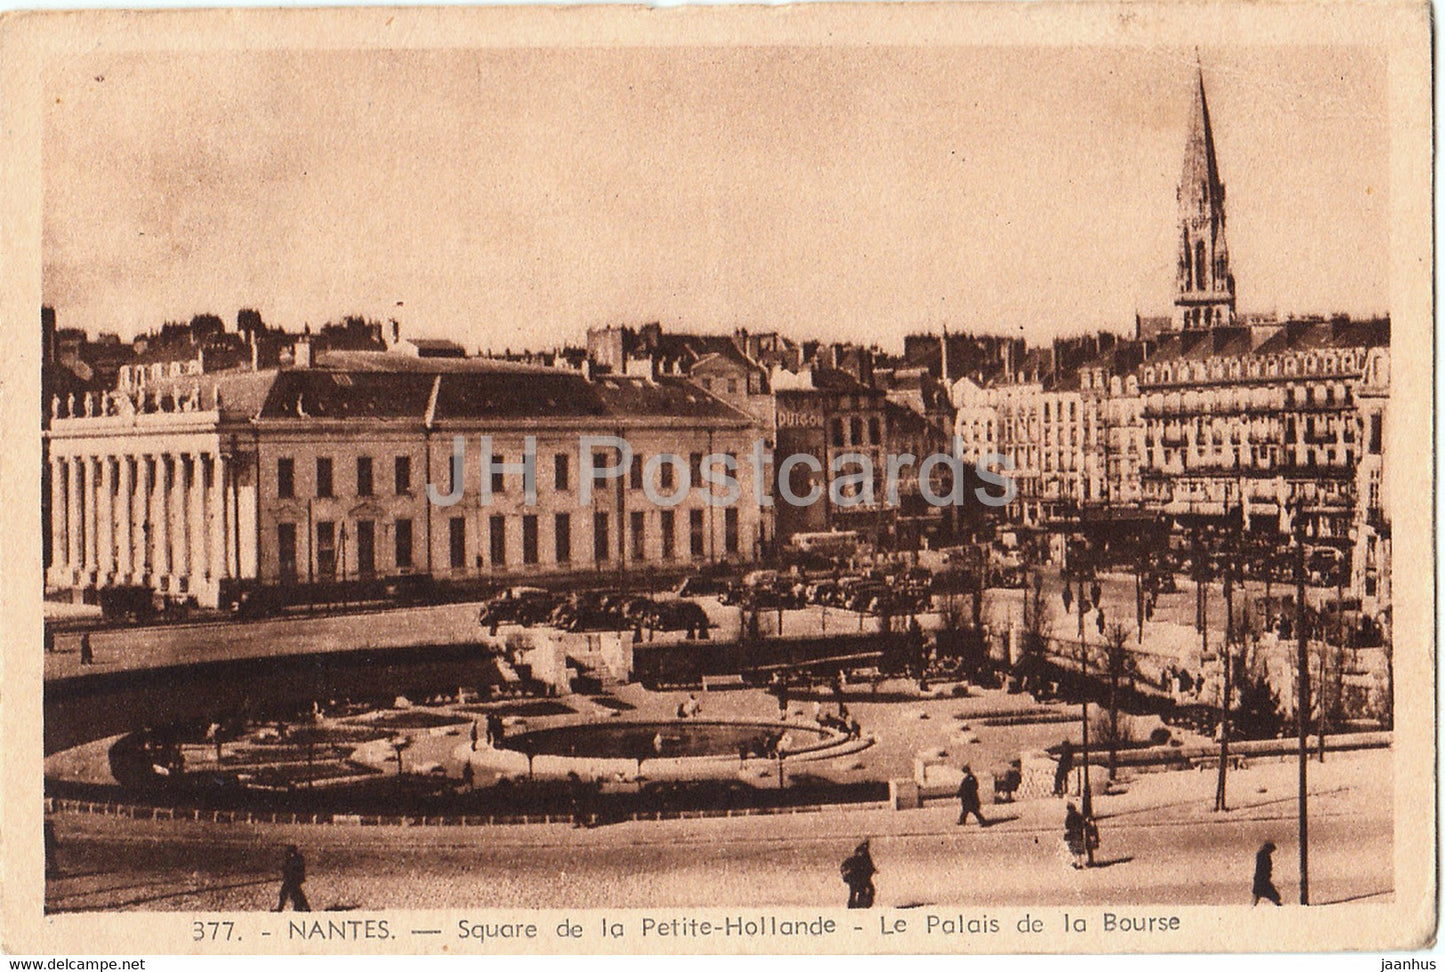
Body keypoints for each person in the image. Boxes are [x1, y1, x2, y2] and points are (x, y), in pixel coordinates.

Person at [840, 839, 877, 909]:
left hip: (859, 879)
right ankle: (856, 906)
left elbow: (869, 867)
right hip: (857, 879)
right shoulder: (859, 859)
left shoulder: (863, 858)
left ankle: (858, 905)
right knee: (858, 891)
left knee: (860, 891)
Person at [275, 845, 311, 912]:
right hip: (291, 880)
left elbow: (292, 869)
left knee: (293, 895)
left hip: (292, 881)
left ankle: (304, 909)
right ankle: (305, 909)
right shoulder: (294, 859)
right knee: (293, 895)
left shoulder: (296, 859)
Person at [1253, 841, 1282, 906]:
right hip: (1263, 879)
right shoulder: (1263, 855)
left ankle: (1252, 908)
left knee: (1257, 896)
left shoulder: (1262, 855)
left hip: (1261, 879)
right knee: (1274, 896)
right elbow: (1264, 868)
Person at [1063, 803, 1088, 869]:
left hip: (1072, 835)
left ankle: (1076, 862)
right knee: (1079, 851)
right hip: (1079, 835)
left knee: (1074, 850)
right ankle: (1079, 863)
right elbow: (1084, 822)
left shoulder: (1069, 816)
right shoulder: (1079, 815)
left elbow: (1067, 825)